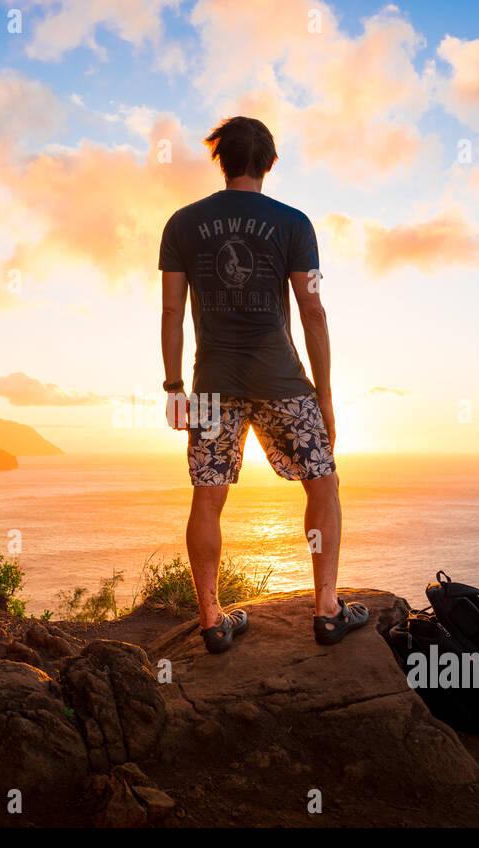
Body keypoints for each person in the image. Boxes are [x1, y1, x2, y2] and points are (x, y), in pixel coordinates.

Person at [158, 115, 369, 654]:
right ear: (268, 162)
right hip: (283, 380)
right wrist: (323, 396)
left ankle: (212, 619)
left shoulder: (181, 224)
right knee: (323, 485)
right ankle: (326, 609)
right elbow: (313, 310)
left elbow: (171, 314)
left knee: (208, 500)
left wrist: (174, 387)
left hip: (210, 386)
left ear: (220, 158)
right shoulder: (296, 224)